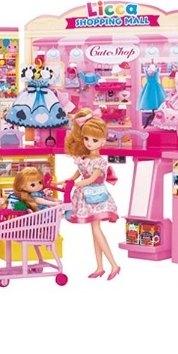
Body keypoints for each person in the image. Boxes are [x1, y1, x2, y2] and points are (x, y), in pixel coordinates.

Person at [61, 108, 120, 280]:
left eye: (94, 140)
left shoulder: (99, 161)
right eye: (86, 138)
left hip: (96, 197)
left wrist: (75, 184)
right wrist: (66, 181)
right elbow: (77, 173)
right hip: (86, 196)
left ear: (103, 141)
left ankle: (114, 265)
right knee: (95, 231)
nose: (89, 143)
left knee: (96, 230)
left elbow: (92, 178)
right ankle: (100, 266)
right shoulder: (84, 158)